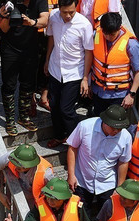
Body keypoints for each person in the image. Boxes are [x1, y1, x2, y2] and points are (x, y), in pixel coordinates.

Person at [42, 0, 93, 148]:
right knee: (54, 105)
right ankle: (59, 136)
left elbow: (89, 52)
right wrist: (47, 60)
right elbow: (51, 38)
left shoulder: (84, 24)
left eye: (72, 12)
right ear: (59, 8)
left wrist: (85, 78)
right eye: (65, 12)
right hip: (55, 68)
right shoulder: (53, 17)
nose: (68, 15)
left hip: (74, 73)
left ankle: (78, 142)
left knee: (66, 109)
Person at [66, 103, 132, 216]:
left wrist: (119, 187)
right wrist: (71, 175)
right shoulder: (85, 126)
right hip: (82, 180)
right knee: (80, 215)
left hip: (107, 183)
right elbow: (72, 148)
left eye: (119, 128)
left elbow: (123, 162)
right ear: (105, 122)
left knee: (107, 216)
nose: (116, 131)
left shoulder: (126, 137)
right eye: (113, 127)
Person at [0, 0, 48, 135]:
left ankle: (23, 117)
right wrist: (5, 15)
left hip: (30, 48)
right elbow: (3, 28)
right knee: (9, 85)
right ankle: (9, 120)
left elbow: (45, 20)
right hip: (10, 49)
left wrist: (31, 22)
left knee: (28, 84)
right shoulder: (8, 2)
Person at [88, 12, 139, 117]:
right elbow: (91, 59)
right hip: (98, 91)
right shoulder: (96, 35)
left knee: (113, 127)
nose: (108, 37)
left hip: (119, 95)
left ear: (119, 28)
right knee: (98, 122)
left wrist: (131, 94)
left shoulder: (131, 44)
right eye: (105, 33)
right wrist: (88, 82)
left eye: (112, 34)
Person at [0, 143, 55, 210]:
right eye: (16, 163)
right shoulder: (11, 156)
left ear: (31, 164)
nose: (17, 166)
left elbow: (56, 195)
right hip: (23, 193)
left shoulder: (46, 174)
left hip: (37, 202)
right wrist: (0, 195)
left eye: (22, 165)